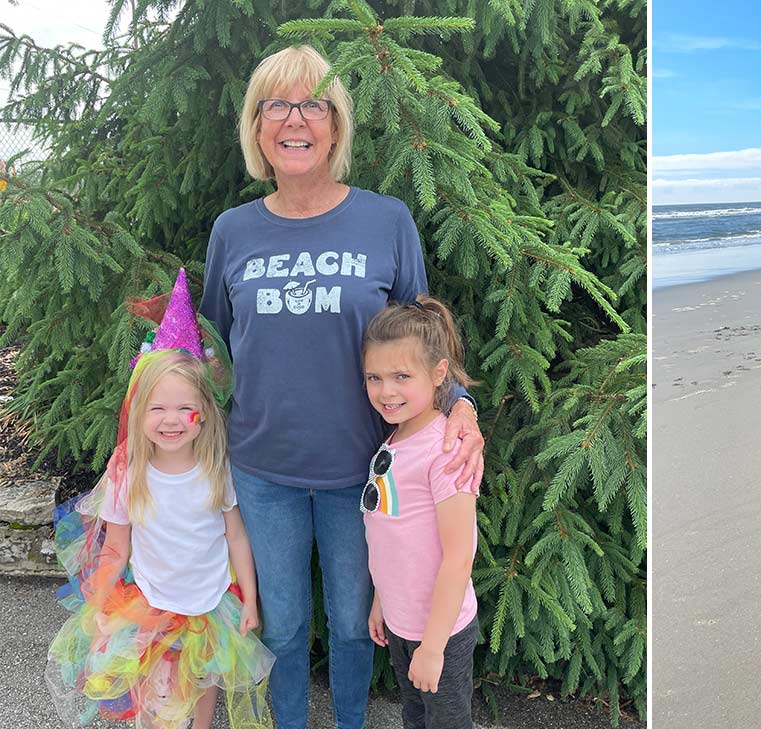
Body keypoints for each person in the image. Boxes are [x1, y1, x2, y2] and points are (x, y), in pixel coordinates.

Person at [197, 45, 485, 729]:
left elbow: (425, 341)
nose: (295, 119)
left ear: (336, 124)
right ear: (256, 124)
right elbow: (208, 357)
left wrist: (463, 405)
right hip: (263, 471)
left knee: (357, 629)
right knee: (286, 627)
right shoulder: (232, 231)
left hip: (366, 473)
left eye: (314, 104)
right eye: (278, 104)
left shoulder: (385, 221)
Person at [47, 270, 273, 729]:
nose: (172, 421)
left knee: (204, 682)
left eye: (184, 408)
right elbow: (116, 545)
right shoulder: (129, 476)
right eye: (158, 408)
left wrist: (249, 599)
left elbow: (236, 536)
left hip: (210, 604)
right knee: (155, 702)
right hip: (149, 605)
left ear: (205, 414)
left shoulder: (217, 469)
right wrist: (103, 606)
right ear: (139, 412)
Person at [360, 295, 481, 729]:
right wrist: (381, 601)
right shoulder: (393, 442)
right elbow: (391, 536)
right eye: (374, 377)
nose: (386, 391)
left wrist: (433, 648)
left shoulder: (446, 451)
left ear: (438, 374)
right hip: (401, 623)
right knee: (415, 718)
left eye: (401, 376)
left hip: (441, 632)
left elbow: (458, 556)